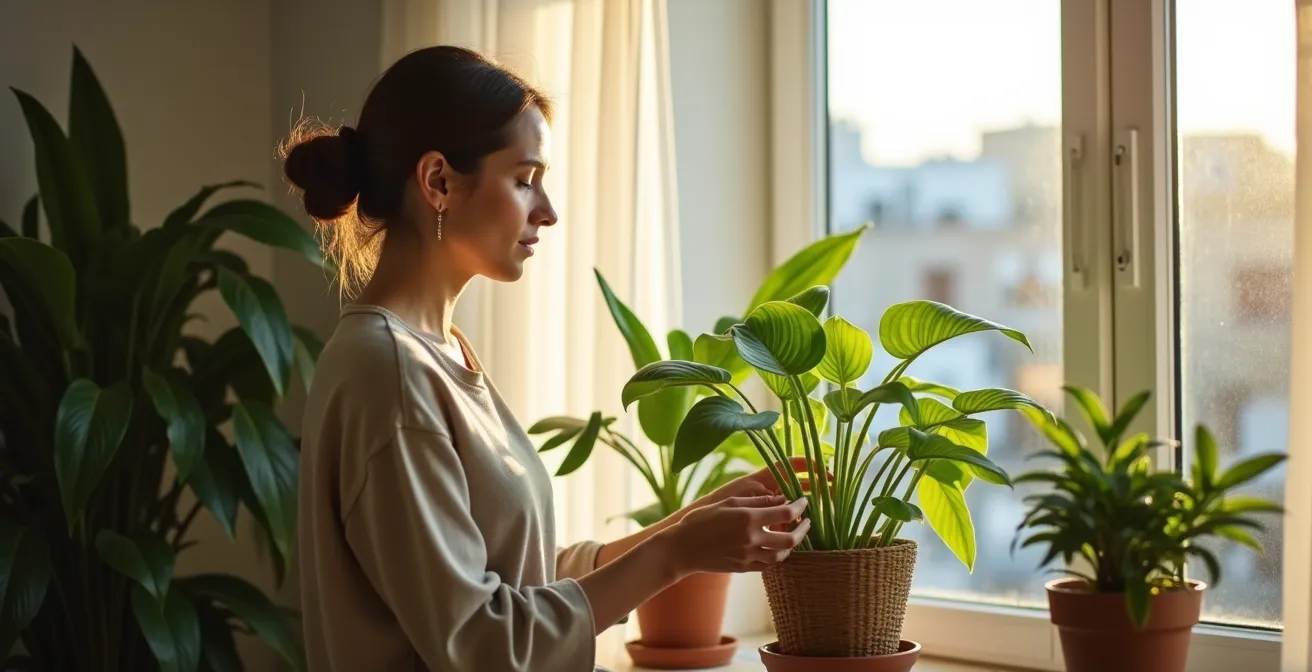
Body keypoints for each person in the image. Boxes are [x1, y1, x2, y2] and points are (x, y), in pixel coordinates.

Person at [284, 45, 812, 672]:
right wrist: (673, 553)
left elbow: (516, 579)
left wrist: (691, 529)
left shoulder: (436, 354)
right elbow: (483, 643)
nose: (548, 211)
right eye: (524, 179)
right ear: (439, 182)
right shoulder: (390, 372)